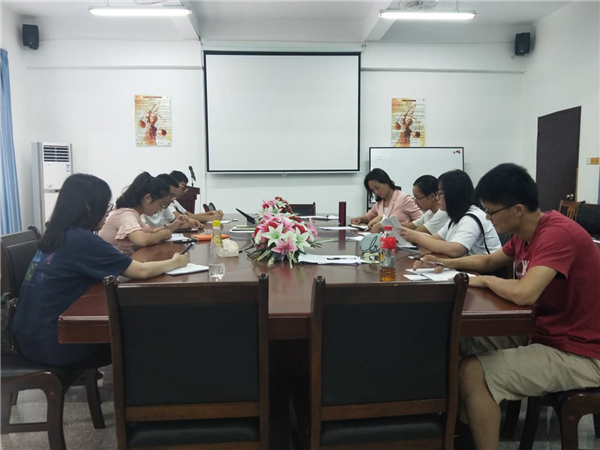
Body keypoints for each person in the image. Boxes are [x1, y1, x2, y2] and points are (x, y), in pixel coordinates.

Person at [413, 163, 600, 450]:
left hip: (581, 351)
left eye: (491, 211)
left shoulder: (556, 234)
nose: (487, 218)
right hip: (543, 333)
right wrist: (446, 263)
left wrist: (484, 281)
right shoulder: (524, 233)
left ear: (518, 210)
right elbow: (489, 260)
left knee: (473, 371)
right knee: (456, 341)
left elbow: (525, 293)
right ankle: (458, 433)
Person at [12, 174, 189, 367]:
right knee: (146, 332)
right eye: (105, 206)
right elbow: (140, 272)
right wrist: (175, 262)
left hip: (30, 338)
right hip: (57, 344)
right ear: (89, 207)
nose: (107, 212)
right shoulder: (82, 241)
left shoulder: (57, 235)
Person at [400, 170, 501, 257]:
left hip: (484, 271)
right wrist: (408, 233)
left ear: (453, 194)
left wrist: (415, 237)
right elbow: (435, 238)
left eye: (440, 194)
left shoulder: (471, 217)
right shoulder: (456, 216)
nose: (437, 198)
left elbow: (455, 250)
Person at [99, 172, 176, 255]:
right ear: (148, 198)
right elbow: (141, 240)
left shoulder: (134, 214)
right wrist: (162, 235)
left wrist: (174, 226)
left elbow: (150, 231)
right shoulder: (125, 214)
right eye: (161, 204)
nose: (160, 209)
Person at [372, 174, 448, 235]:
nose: (415, 202)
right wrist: (386, 225)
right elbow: (409, 226)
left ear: (432, 196)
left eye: (418, 198)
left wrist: (386, 226)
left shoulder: (442, 213)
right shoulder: (429, 213)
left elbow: (414, 233)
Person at [350, 168, 422, 231]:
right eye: (373, 190)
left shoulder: (405, 199)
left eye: (377, 187)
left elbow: (421, 221)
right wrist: (360, 218)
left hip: (402, 239)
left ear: (386, 182)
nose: (376, 192)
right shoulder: (380, 202)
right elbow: (368, 217)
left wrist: (401, 228)